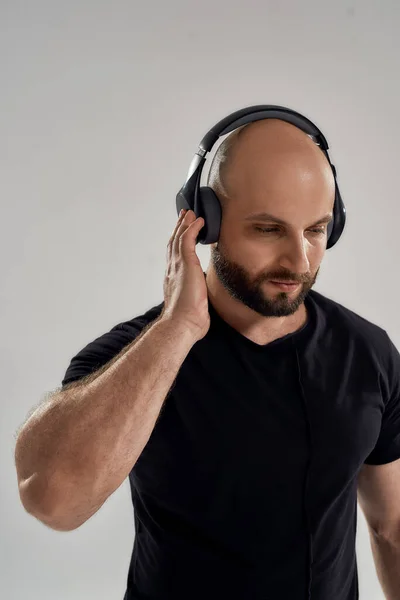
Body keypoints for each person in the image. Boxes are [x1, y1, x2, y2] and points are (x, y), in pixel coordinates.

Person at [15, 118, 400, 600]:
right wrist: (177, 328)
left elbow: (392, 525)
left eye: (317, 230)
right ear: (205, 223)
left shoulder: (368, 353)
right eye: (268, 229)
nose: (300, 262)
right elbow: (52, 500)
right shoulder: (131, 358)